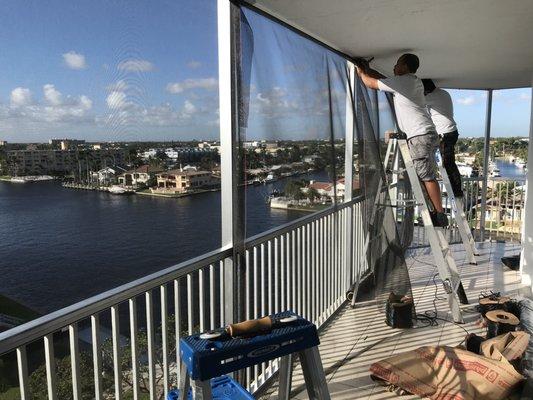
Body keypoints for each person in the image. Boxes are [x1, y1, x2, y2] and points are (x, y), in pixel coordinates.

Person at [355, 53, 448, 227]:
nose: (394, 67)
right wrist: (369, 70)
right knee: (426, 174)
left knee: (426, 176)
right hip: (426, 133)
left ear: (405, 66)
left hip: (419, 136)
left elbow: (370, 84)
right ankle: (436, 210)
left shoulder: (403, 82)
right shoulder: (412, 82)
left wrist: (361, 72)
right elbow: (384, 80)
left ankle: (439, 214)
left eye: (397, 63)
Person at [422, 78, 463, 198]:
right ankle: (456, 190)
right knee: (448, 163)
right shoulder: (444, 93)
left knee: (448, 164)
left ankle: (456, 191)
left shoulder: (430, 97)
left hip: (445, 134)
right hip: (451, 131)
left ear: (426, 90)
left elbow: (416, 103)